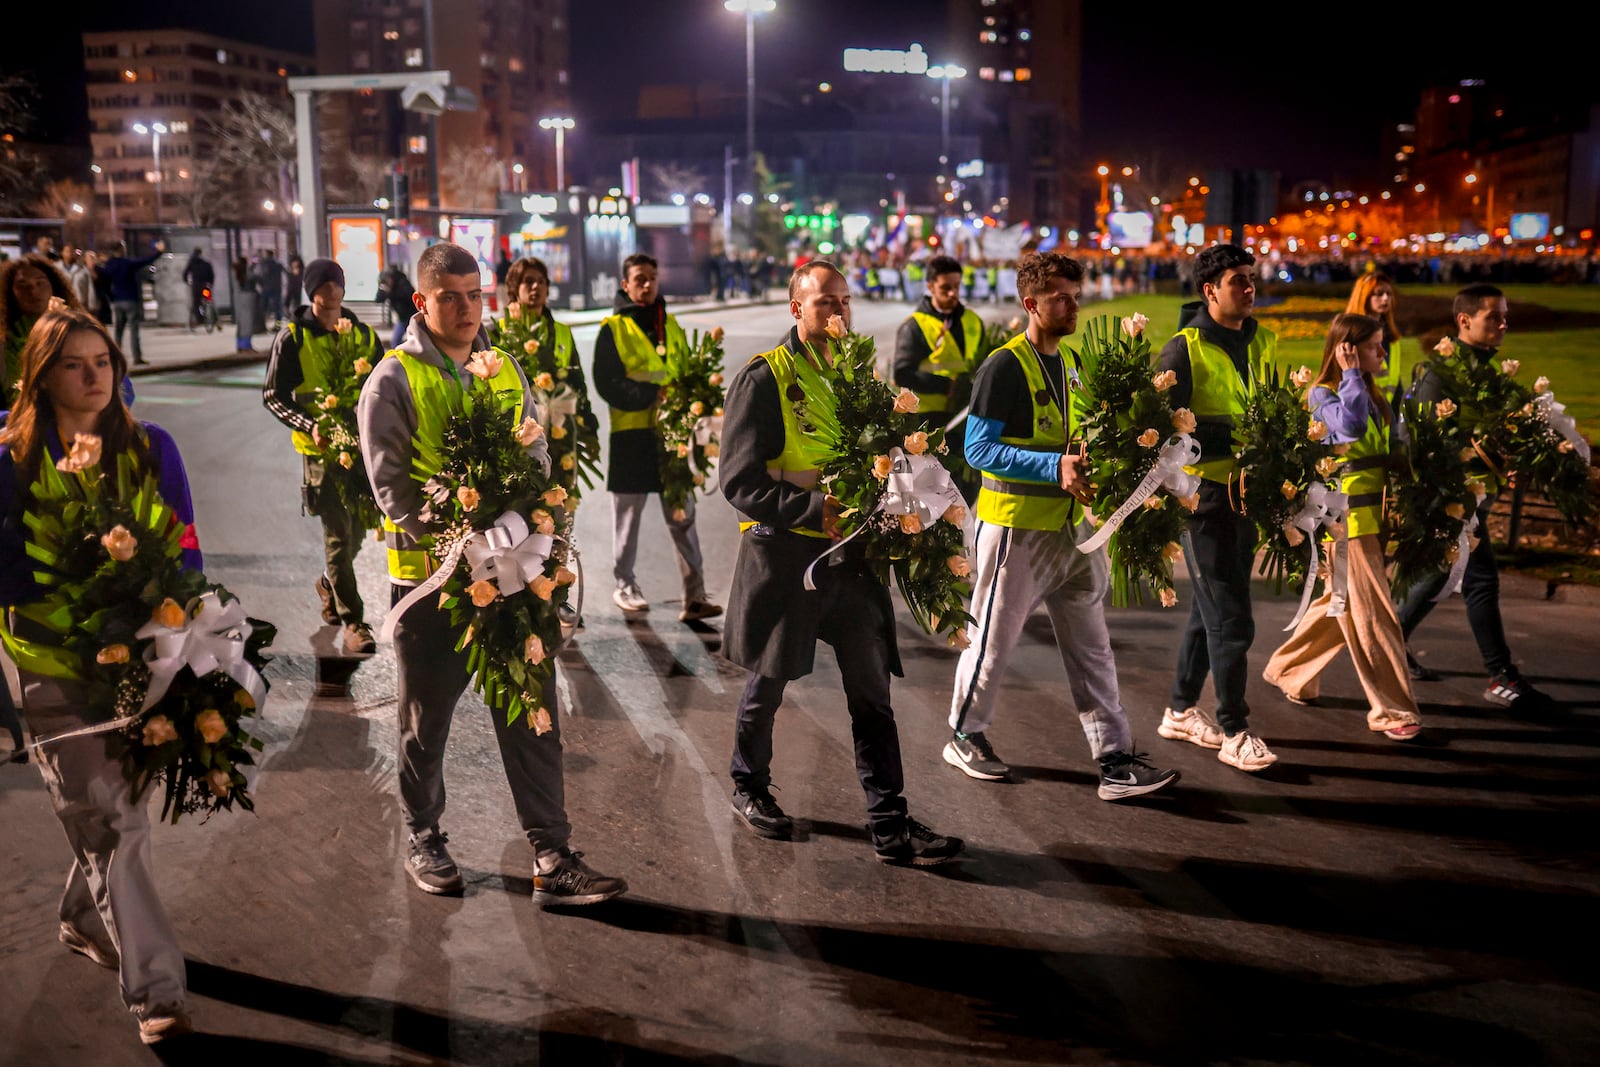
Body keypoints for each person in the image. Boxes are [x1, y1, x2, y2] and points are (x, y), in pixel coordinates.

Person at [356, 243, 626, 905]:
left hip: (512, 579)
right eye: (451, 296)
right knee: (427, 722)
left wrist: (529, 530)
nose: (468, 308)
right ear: (421, 302)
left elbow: (536, 455)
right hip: (431, 588)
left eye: (476, 294)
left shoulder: (503, 368)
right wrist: (462, 540)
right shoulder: (391, 381)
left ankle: (552, 854)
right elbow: (391, 488)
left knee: (531, 711)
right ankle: (424, 835)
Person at [0, 305, 201, 1043]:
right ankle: (158, 990)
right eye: (74, 365)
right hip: (46, 662)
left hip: (137, 659)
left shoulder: (153, 447)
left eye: (103, 362)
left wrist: (184, 642)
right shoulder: (11, 458)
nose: (94, 377)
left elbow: (185, 548)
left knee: (107, 812)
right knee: (116, 821)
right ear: (42, 377)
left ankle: (84, 913)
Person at [720, 260, 964, 865]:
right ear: (795, 309)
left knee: (872, 693)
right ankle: (748, 785)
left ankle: (890, 823)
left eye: (843, 302)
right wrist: (811, 508)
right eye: (823, 302)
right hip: (787, 558)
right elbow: (738, 480)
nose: (836, 313)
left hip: (852, 560)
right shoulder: (764, 377)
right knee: (768, 681)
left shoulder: (857, 377)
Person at [943, 252, 1180, 798]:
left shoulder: (1070, 364)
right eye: (1061, 297)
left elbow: (1076, 441)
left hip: (1073, 531)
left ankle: (1115, 758)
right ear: (1031, 303)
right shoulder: (1005, 365)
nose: (1074, 305)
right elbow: (977, 449)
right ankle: (964, 734)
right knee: (991, 643)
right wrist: (1055, 466)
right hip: (1015, 531)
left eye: (1077, 294)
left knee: (1093, 647)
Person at [1394, 284, 1557, 713]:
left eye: (1505, 316)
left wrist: (1512, 460)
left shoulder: (1487, 373)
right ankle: (1501, 676)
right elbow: (1426, 442)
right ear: (1464, 321)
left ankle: (1385, 642)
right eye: (1494, 317)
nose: (1504, 324)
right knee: (1481, 580)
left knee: (1437, 578)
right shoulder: (1439, 374)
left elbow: (1493, 434)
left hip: (1473, 496)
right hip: (1449, 500)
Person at [1261, 314, 1423, 741]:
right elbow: (1348, 429)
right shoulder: (1323, 394)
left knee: (1341, 605)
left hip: (1371, 516)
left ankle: (1289, 670)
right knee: (1375, 616)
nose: (1383, 353)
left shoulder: (1370, 393)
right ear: (1346, 350)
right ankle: (1391, 709)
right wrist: (1350, 373)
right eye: (1374, 347)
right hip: (1345, 520)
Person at [1154, 244, 1281, 772]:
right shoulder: (1182, 350)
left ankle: (1181, 710)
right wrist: (1235, 434)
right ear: (1210, 291)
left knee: (1210, 613)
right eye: (1238, 281)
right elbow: (1160, 434)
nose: (1249, 288)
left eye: (1252, 279)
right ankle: (1234, 728)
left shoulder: (1264, 340)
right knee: (1232, 617)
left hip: (1249, 497)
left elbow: (1275, 408)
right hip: (1203, 501)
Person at [591, 252, 720, 621]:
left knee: (683, 515)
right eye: (639, 279)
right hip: (632, 435)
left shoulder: (672, 326)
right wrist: (652, 396)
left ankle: (694, 596)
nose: (646, 285)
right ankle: (625, 585)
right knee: (627, 517)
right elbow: (606, 381)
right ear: (625, 284)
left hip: (673, 436)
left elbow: (688, 374)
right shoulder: (612, 328)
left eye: (651, 277)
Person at [263, 258, 381, 655]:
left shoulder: (364, 335)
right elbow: (273, 395)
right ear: (311, 294)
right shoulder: (293, 337)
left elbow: (384, 388)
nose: (330, 295)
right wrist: (307, 423)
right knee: (339, 535)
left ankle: (332, 585)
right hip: (322, 453)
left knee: (360, 530)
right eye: (322, 291)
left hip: (361, 451)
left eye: (336, 290)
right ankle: (354, 622)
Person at [487, 257, 599, 488]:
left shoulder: (562, 333)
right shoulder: (497, 334)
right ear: (514, 288)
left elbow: (578, 384)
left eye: (541, 282)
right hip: (515, 439)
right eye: (528, 282)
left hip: (560, 436)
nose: (536, 287)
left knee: (557, 509)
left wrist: (589, 428)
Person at [2, 254, 80, 393]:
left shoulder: (79, 328)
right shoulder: (5, 341)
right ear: (10, 291)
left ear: (53, 285)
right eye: (22, 285)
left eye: (40, 282)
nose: (33, 291)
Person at [100, 240, 164, 365]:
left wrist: (111, 296)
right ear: (121, 249)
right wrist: (159, 252)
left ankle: (115, 358)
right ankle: (137, 357)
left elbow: (105, 282)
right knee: (134, 330)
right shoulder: (128, 263)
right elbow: (145, 261)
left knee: (119, 331)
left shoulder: (110, 265)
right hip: (131, 299)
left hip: (118, 300)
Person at [378, 263, 417, 348]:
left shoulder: (403, 283)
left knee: (418, 340)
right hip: (402, 318)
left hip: (412, 316)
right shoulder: (388, 287)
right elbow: (379, 300)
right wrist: (382, 289)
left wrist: (391, 293)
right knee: (395, 342)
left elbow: (409, 295)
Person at [181, 248, 215, 332]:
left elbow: (185, 273)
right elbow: (211, 275)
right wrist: (210, 284)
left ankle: (200, 319)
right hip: (205, 286)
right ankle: (214, 318)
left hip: (196, 286)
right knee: (208, 300)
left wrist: (186, 281)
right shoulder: (206, 263)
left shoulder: (192, 263)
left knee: (196, 303)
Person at [233, 255, 261, 352]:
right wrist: (254, 267)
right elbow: (256, 278)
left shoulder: (237, 273)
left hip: (239, 298)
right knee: (248, 322)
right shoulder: (248, 274)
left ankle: (240, 344)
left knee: (241, 323)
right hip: (248, 298)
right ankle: (246, 345)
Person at [255, 249, 287, 329]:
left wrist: (261, 285)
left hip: (266, 288)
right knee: (277, 309)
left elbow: (259, 276)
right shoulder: (278, 264)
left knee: (264, 308)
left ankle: (263, 325)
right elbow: (287, 273)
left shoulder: (263, 263)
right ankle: (278, 325)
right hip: (276, 288)